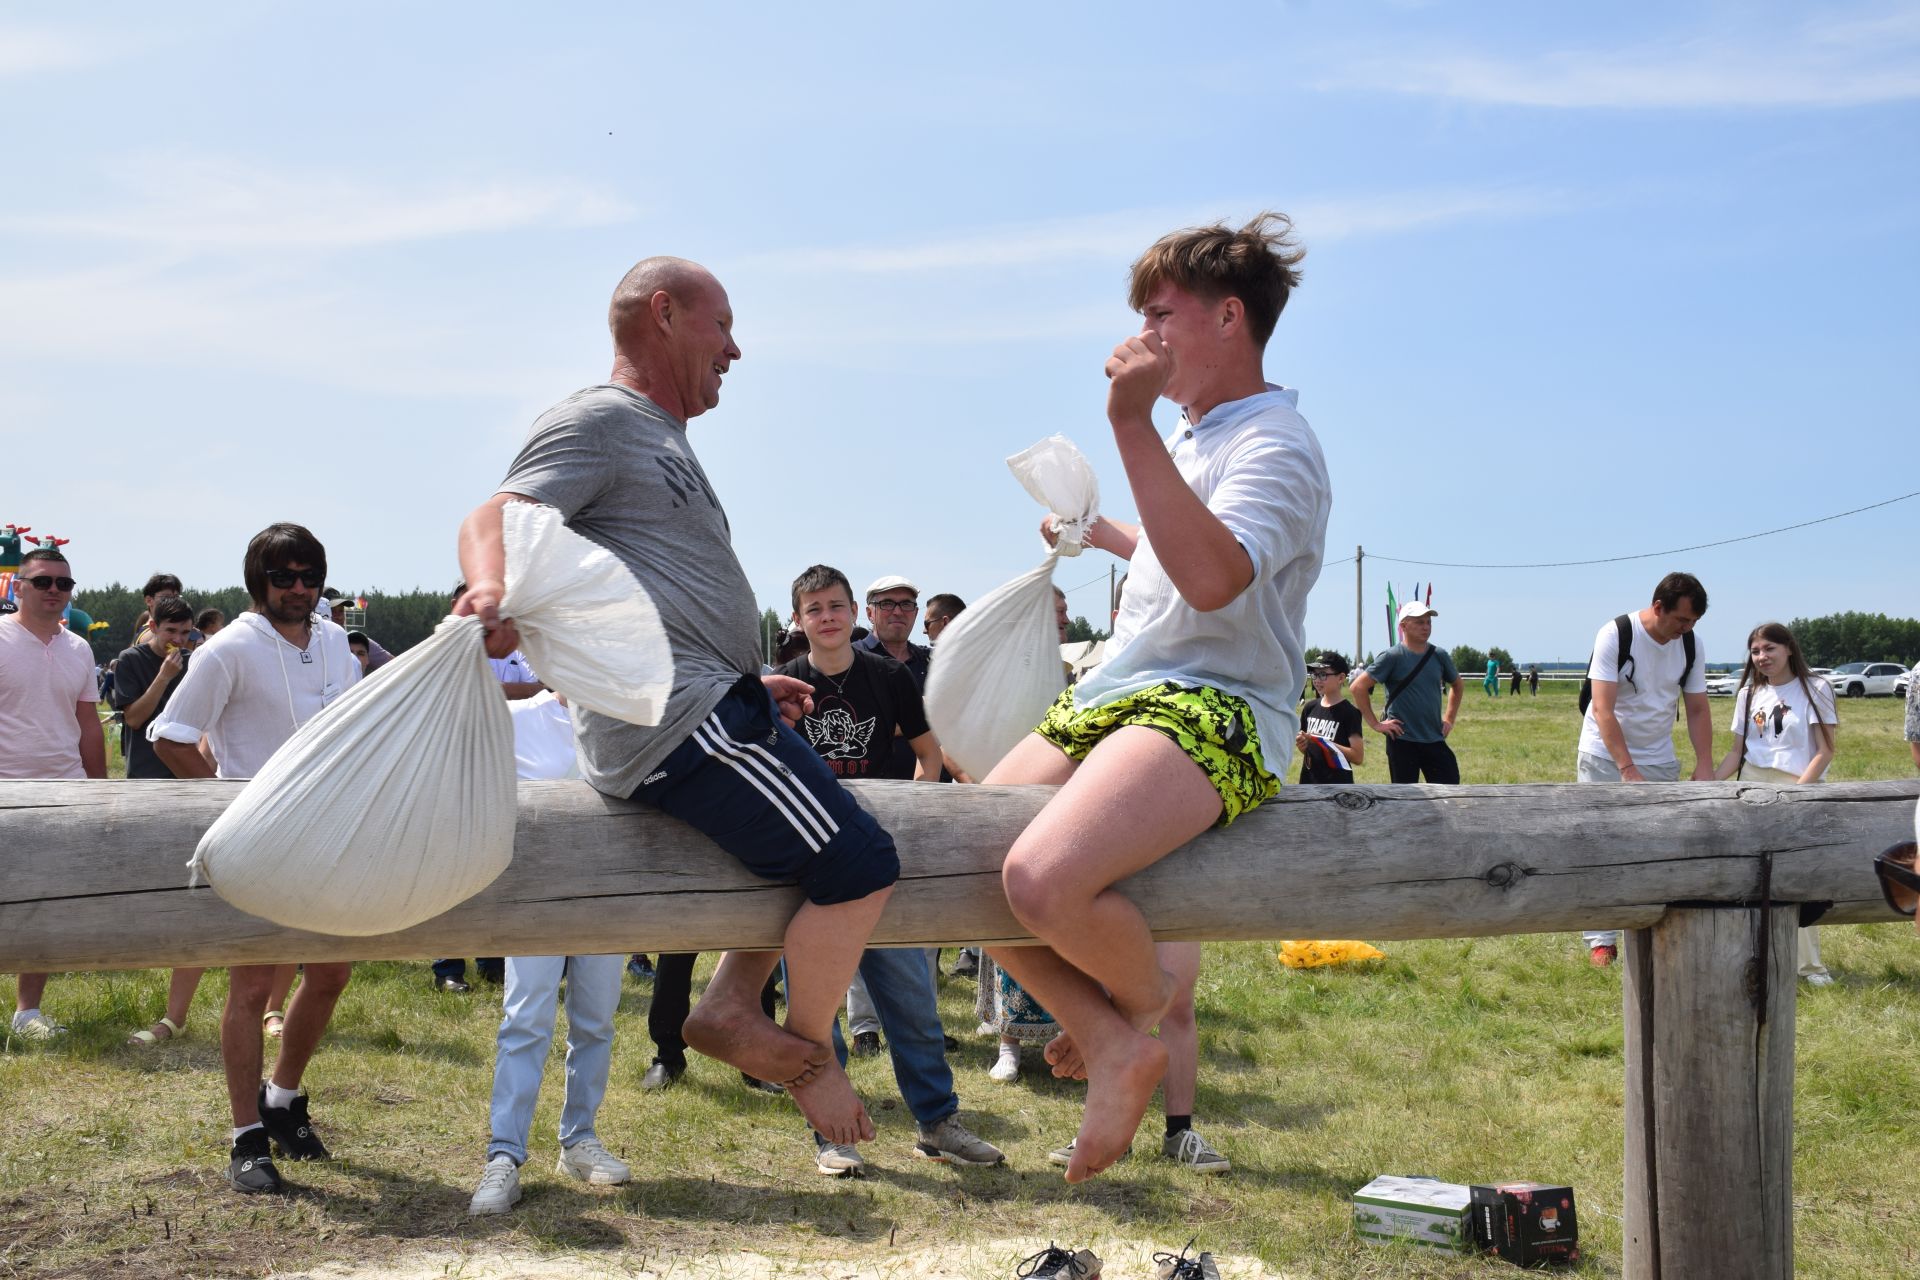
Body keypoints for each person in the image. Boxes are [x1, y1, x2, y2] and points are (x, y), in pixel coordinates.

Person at [453, 254, 895, 1156]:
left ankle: (733, 1003)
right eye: (721, 325)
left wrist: (746, 680)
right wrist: (490, 588)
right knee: (861, 864)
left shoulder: (660, 436)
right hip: (677, 724)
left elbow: (656, 584)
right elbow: (497, 512)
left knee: (808, 866)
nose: (735, 349)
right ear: (663, 314)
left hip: (714, 705)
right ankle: (799, 1054)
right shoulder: (603, 419)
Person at [982, 213, 1330, 1182]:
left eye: (1159, 311)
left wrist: (1127, 426)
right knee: (956, 858)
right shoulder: (1201, 433)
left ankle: (1131, 1022)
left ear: (1229, 316)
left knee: (1042, 880)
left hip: (1217, 701)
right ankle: (1113, 1034)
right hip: (1125, 689)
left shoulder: (1279, 442)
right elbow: (1187, 555)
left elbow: (1218, 581)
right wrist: (1110, 536)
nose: (1139, 331)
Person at [149, 523, 359, 1193]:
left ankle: (282, 1099)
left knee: (330, 975)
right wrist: (233, 807)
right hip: (261, 843)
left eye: (309, 576)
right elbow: (170, 736)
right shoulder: (229, 649)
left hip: (330, 838)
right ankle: (245, 1138)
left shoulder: (335, 643)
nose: (299, 589)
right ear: (257, 583)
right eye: (284, 578)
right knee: (250, 988)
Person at [775, 565, 999, 1174]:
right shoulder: (784, 683)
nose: (827, 616)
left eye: (835, 605)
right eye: (814, 608)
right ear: (798, 619)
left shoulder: (890, 676)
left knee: (914, 1005)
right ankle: (831, 1136)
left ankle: (938, 1122)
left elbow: (929, 758)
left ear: (854, 613)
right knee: (814, 1015)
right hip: (811, 873)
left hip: (879, 866)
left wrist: (904, 820)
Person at [470, 686, 632, 1214]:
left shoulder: (632, 720)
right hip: (534, 898)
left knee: (596, 1022)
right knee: (525, 1020)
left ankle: (579, 1139)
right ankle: (503, 1157)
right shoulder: (513, 718)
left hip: (608, 898)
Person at [1575, 572, 1712, 966]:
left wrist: (1704, 762)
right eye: (1681, 620)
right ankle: (1601, 940)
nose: (1685, 629)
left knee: (1656, 848)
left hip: (1659, 759)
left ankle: (1648, 928)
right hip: (1604, 755)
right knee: (1601, 844)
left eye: (1692, 623)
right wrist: (1626, 767)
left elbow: (1698, 707)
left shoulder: (1690, 643)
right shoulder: (1616, 634)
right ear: (1658, 608)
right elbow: (1602, 708)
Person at [0, 544, 108, 1041]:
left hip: (64, 791)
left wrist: (102, 794)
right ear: (17, 586)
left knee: (42, 902)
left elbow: (89, 724)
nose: (54, 592)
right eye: (42, 581)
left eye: (63, 584)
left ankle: (27, 1014)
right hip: (5, 788)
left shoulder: (80, 649)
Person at [1713, 622, 1838, 985]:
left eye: (1769, 649)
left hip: (1797, 787)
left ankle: (1809, 967)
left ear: (1788, 649)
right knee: (1750, 879)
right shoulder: (1748, 694)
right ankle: (1755, 958)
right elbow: (1737, 753)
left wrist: (1796, 794)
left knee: (1796, 880)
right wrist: (1702, 783)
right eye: (1755, 651)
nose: (1762, 657)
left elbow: (1825, 750)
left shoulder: (1816, 688)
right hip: (1752, 787)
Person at [112, 594, 210, 1047]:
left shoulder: (195, 662)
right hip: (147, 783)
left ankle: (175, 999)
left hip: (188, 785)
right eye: (169, 632)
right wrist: (162, 678)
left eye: (185, 633)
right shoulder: (131, 661)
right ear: (151, 625)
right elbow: (133, 719)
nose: (177, 642)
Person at [1351, 603, 1462, 784]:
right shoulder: (1392, 656)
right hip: (1402, 740)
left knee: (1450, 789)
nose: (1426, 627)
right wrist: (1376, 724)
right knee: (1406, 798)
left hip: (1434, 737)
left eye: (1428, 622)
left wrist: (1449, 719)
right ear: (1403, 626)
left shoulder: (1439, 655)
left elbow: (1457, 685)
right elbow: (1357, 687)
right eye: (1419, 622)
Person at [1296, 651, 1364, 784]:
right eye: (1314, 674)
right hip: (1309, 782)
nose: (1316, 680)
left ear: (1341, 678)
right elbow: (1307, 750)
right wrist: (1302, 745)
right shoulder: (1309, 708)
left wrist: (1323, 742)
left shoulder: (1350, 713)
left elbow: (1357, 756)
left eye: (1323, 675)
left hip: (1338, 788)